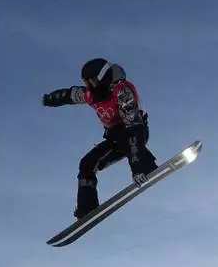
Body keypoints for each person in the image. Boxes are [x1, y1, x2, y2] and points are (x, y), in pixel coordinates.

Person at [43, 58, 158, 219]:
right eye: (87, 82)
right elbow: (69, 95)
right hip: (113, 139)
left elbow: (134, 129)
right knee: (86, 164)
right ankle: (87, 208)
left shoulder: (122, 91)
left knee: (124, 135)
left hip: (134, 131)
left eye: (94, 80)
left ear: (103, 77)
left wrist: (138, 168)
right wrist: (50, 99)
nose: (90, 85)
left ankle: (147, 166)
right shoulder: (90, 94)